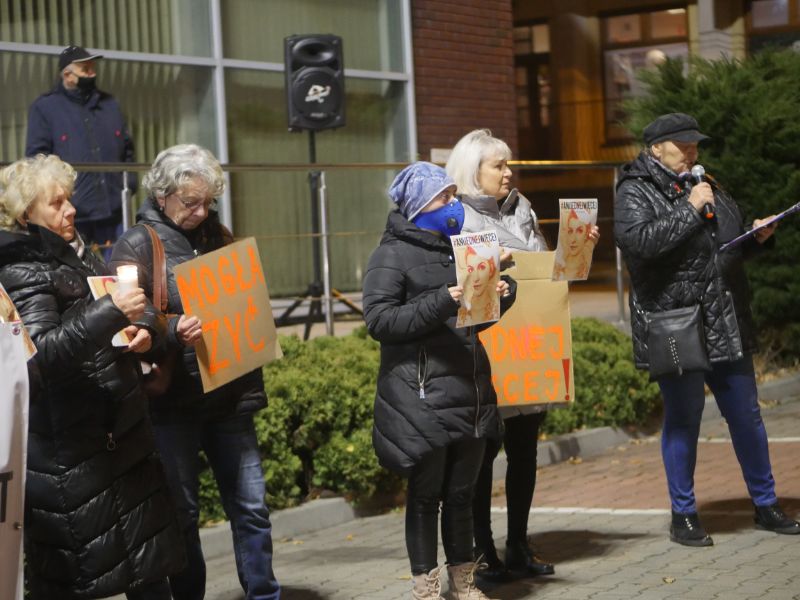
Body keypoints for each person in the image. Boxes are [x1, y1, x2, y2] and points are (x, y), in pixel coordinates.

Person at [0, 154, 183, 599]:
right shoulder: (21, 268)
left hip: (118, 441)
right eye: (56, 203)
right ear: (27, 213)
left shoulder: (78, 252)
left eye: (69, 199)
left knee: (148, 573)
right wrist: (110, 313)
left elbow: (131, 313)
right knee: (79, 578)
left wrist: (147, 330)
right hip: (73, 451)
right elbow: (41, 354)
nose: (71, 210)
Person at [614, 112, 800, 546]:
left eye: (696, 144)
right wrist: (691, 209)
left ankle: (766, 503)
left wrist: (754, 239)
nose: (692, 152)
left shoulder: (704, 182)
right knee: (683, 419)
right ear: (655, 147)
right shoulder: (634, 190)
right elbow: (642, 246)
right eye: (683, 145)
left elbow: (720, 253)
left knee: (747, 416)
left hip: (725, 317)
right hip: (677, 324)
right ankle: (684, 515)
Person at [109, 144, 280, 600]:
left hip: (228, 393)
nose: (201, 211)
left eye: (207, 202)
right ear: (162, 195)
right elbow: (124, 318)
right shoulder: (137, 244)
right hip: (174, 403)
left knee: (251, 508)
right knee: (183, 514)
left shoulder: (216, 233)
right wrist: (168, 330)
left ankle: (264, 595)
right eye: (191, 202)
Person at [446, 129, 599, 581]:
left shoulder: (523, 209)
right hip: (489, 354)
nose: (508, 172)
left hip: (528, 348)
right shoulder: (456, 217)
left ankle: (518, 543)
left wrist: (578, 246)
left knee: (525, 454)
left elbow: (547, 272)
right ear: (474, 171)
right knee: (481, 456)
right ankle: (481, 552)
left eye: (508, 164)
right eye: (499, 166)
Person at [363, 161, 516, 600]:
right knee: (427, 494)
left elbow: (473, 321)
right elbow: (379, 320)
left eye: (453, 196)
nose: (453, 205)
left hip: (468, 387)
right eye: (443, 198)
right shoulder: (391, 254)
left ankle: (463, 582)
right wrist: (442, 300)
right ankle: (425, 584)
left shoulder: (460, 248)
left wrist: (501, 294)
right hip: (420, 393)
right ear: (417, 206)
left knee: (463, 493)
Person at [26, 45, 136, 255]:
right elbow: (36, 160)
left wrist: (129, 184)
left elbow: (127, 150)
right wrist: (56, 200)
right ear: (67, 75)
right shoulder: (45, 108)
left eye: (93, 67)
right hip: (72, 214)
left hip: (113, 212)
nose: (92, 73)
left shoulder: (110, 105)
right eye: (85, 69)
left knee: (121, 269)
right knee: (76, 275)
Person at [456, 244, 500, 326]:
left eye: (482, 267)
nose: (475, 278)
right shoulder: (462, 311)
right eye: (470, 269)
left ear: (491, 269)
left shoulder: (496, 307)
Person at [553, 208, 594, 281]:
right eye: (570, 231)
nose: (573, 240)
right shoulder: (558, 268)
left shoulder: (585, 270)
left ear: (586, 235)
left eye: (579, 231)